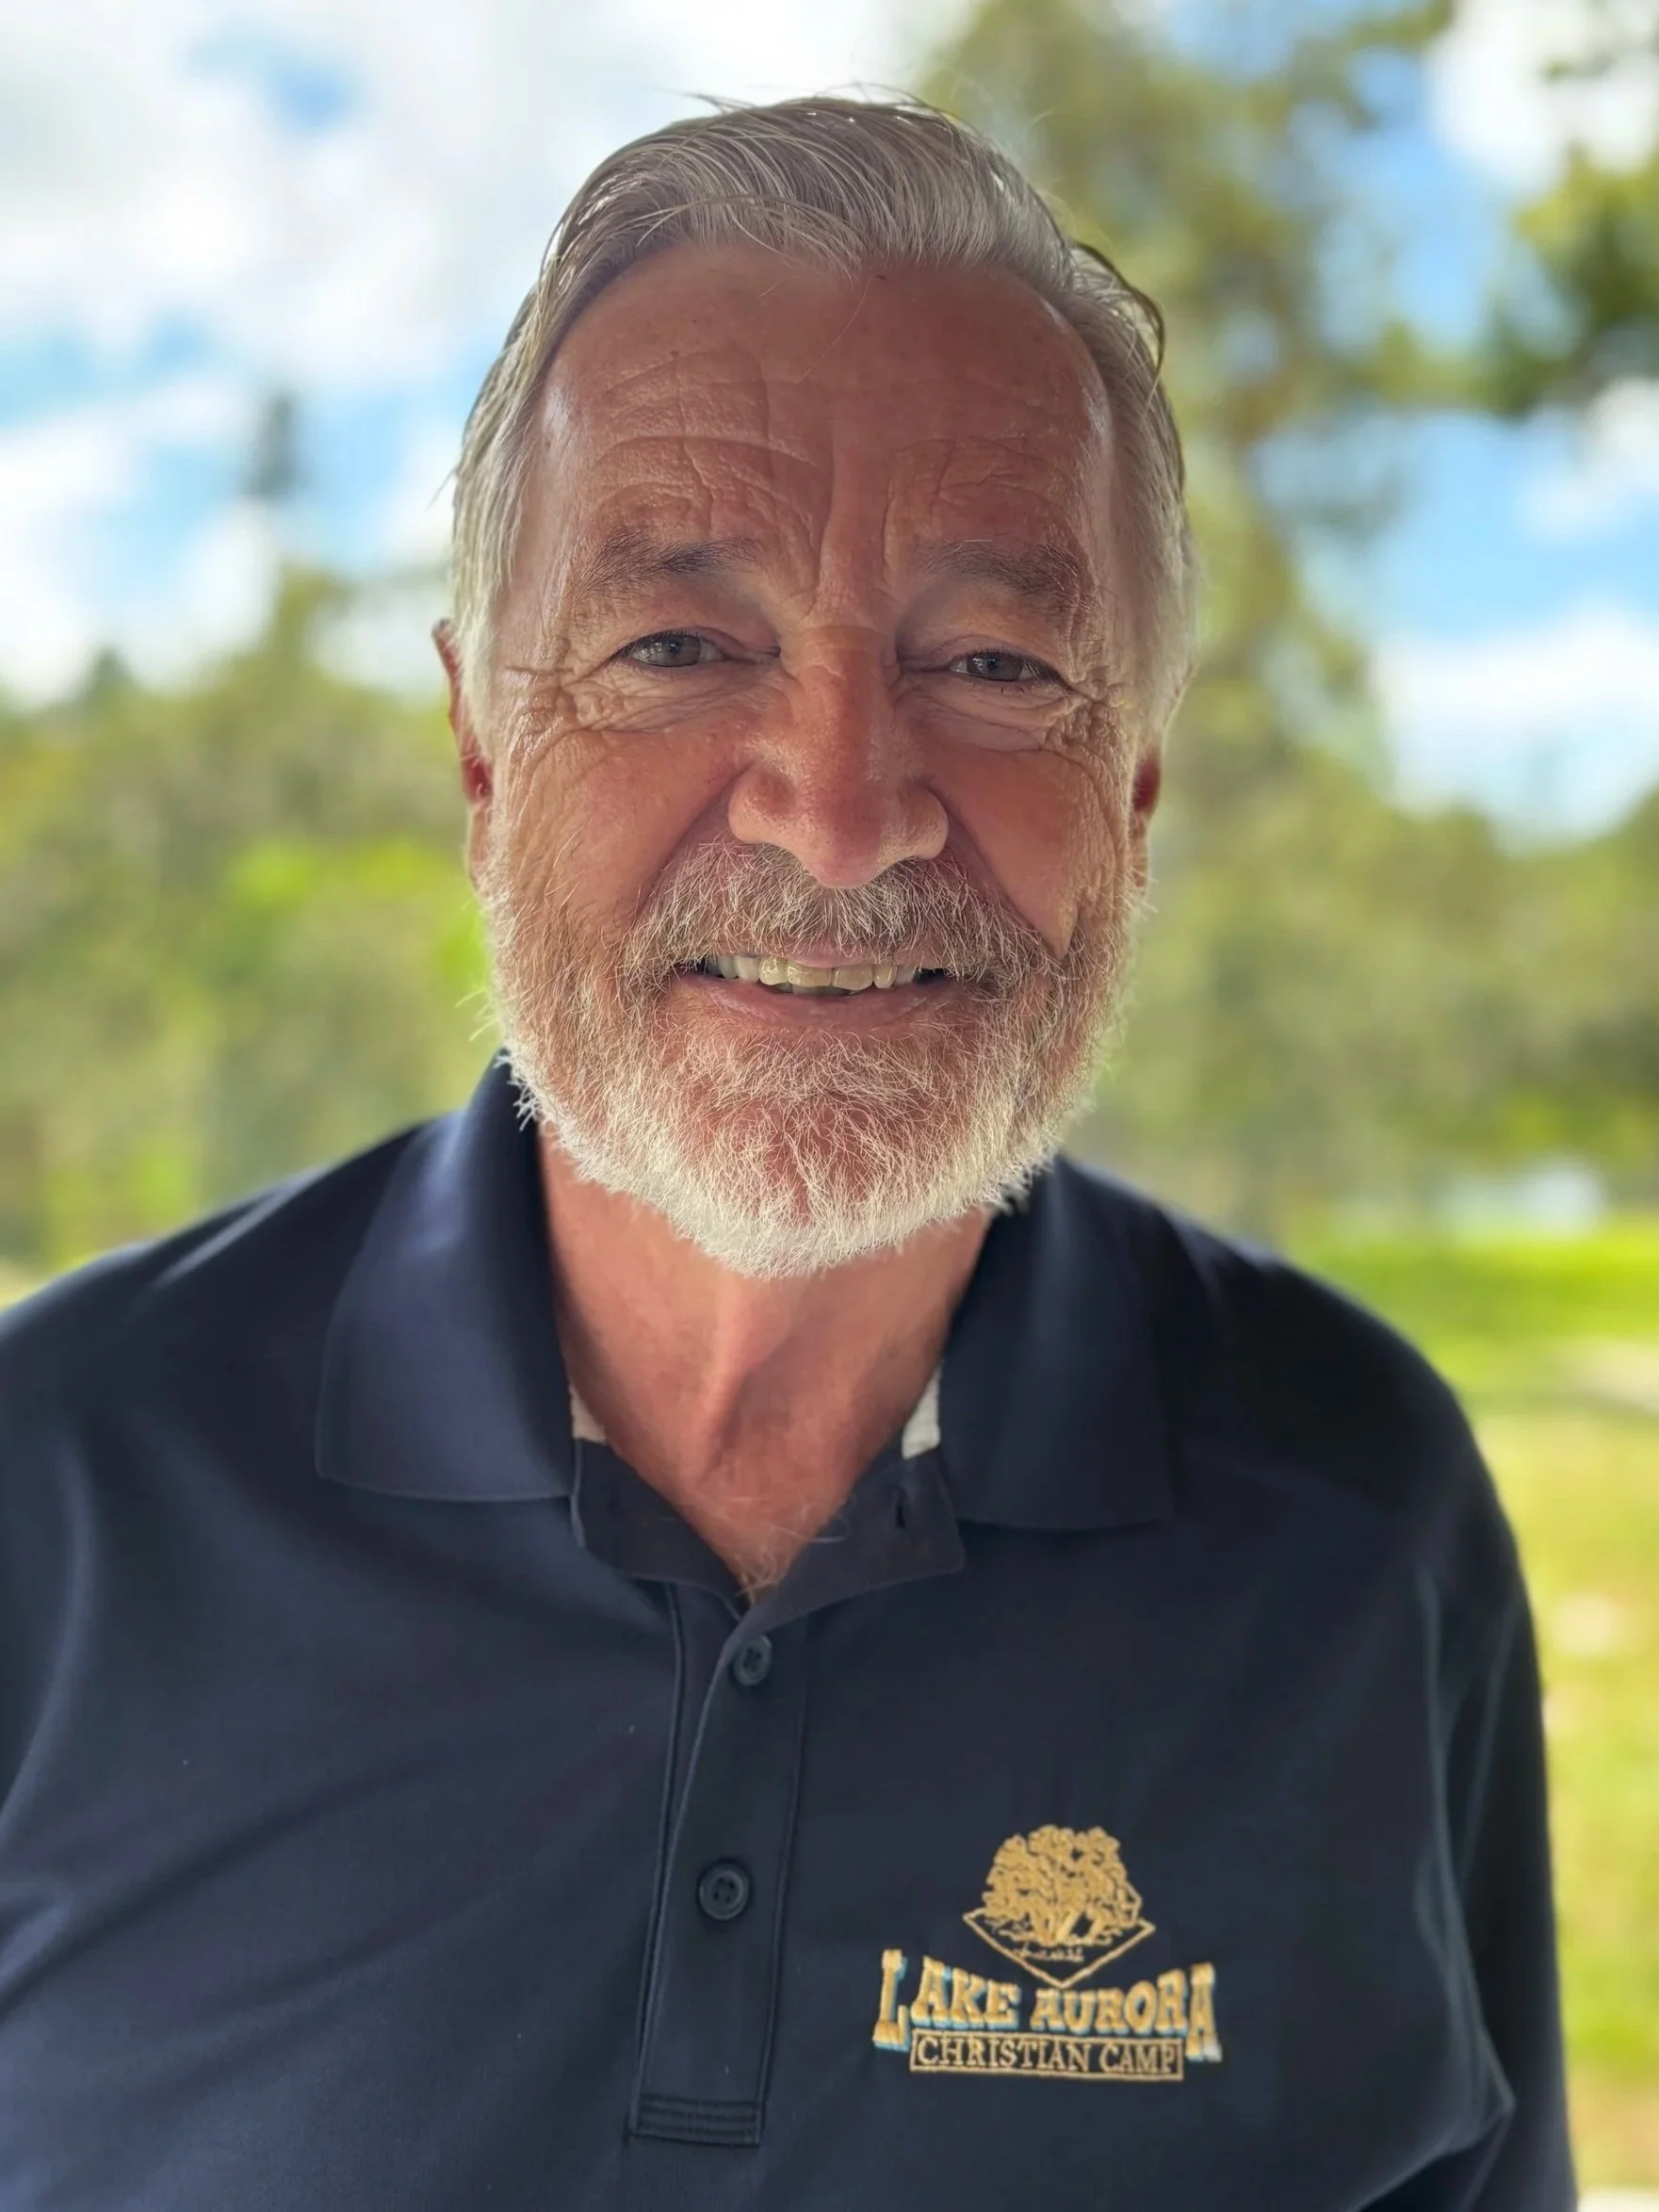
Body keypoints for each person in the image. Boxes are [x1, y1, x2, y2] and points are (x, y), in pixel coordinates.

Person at [0, 96, 1571, 2212]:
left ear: (1135, 785)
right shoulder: (60, 1485)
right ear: (481, 748)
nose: (839, 815)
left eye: (997, 662)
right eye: (677, 646)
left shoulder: (1357, 1520)